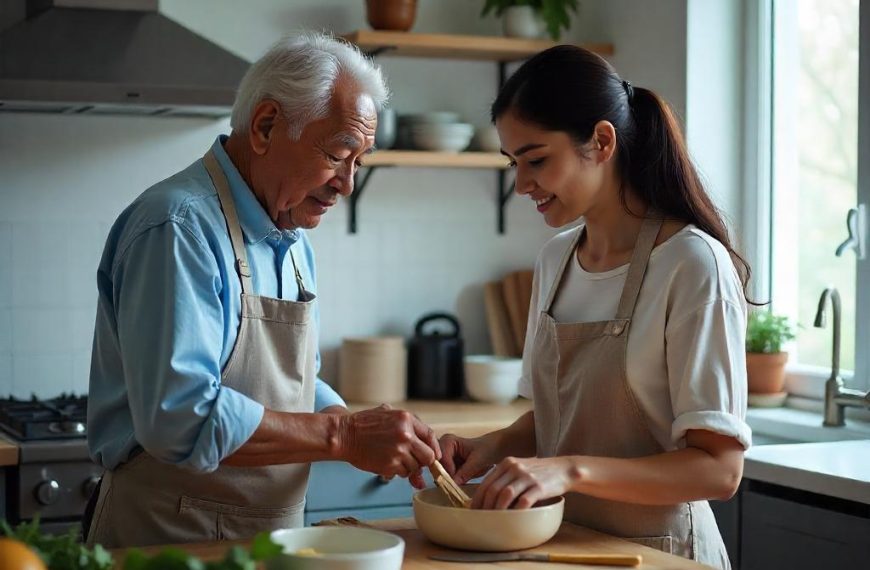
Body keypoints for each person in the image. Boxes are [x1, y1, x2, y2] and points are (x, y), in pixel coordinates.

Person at [84, 32, 441, 548]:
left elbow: (295, 385)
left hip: (272, 538)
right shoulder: (178, 227)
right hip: (168, 539)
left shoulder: (291, 238)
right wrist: (346, 438)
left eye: (360, 160)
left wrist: (347, 418)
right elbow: (177, 418)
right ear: (266, 126)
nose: (348, 183)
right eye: (339, 153)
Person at [439, 45, 751, 569]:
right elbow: (556, 420)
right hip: (569, 549)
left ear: (601, 141)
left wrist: (567, 471)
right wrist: (490, 447)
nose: (521, 184)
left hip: (662, 556)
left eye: (537, 159)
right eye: (514, 163)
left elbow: (718, 471)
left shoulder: (691, 264)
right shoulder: (556, 259)